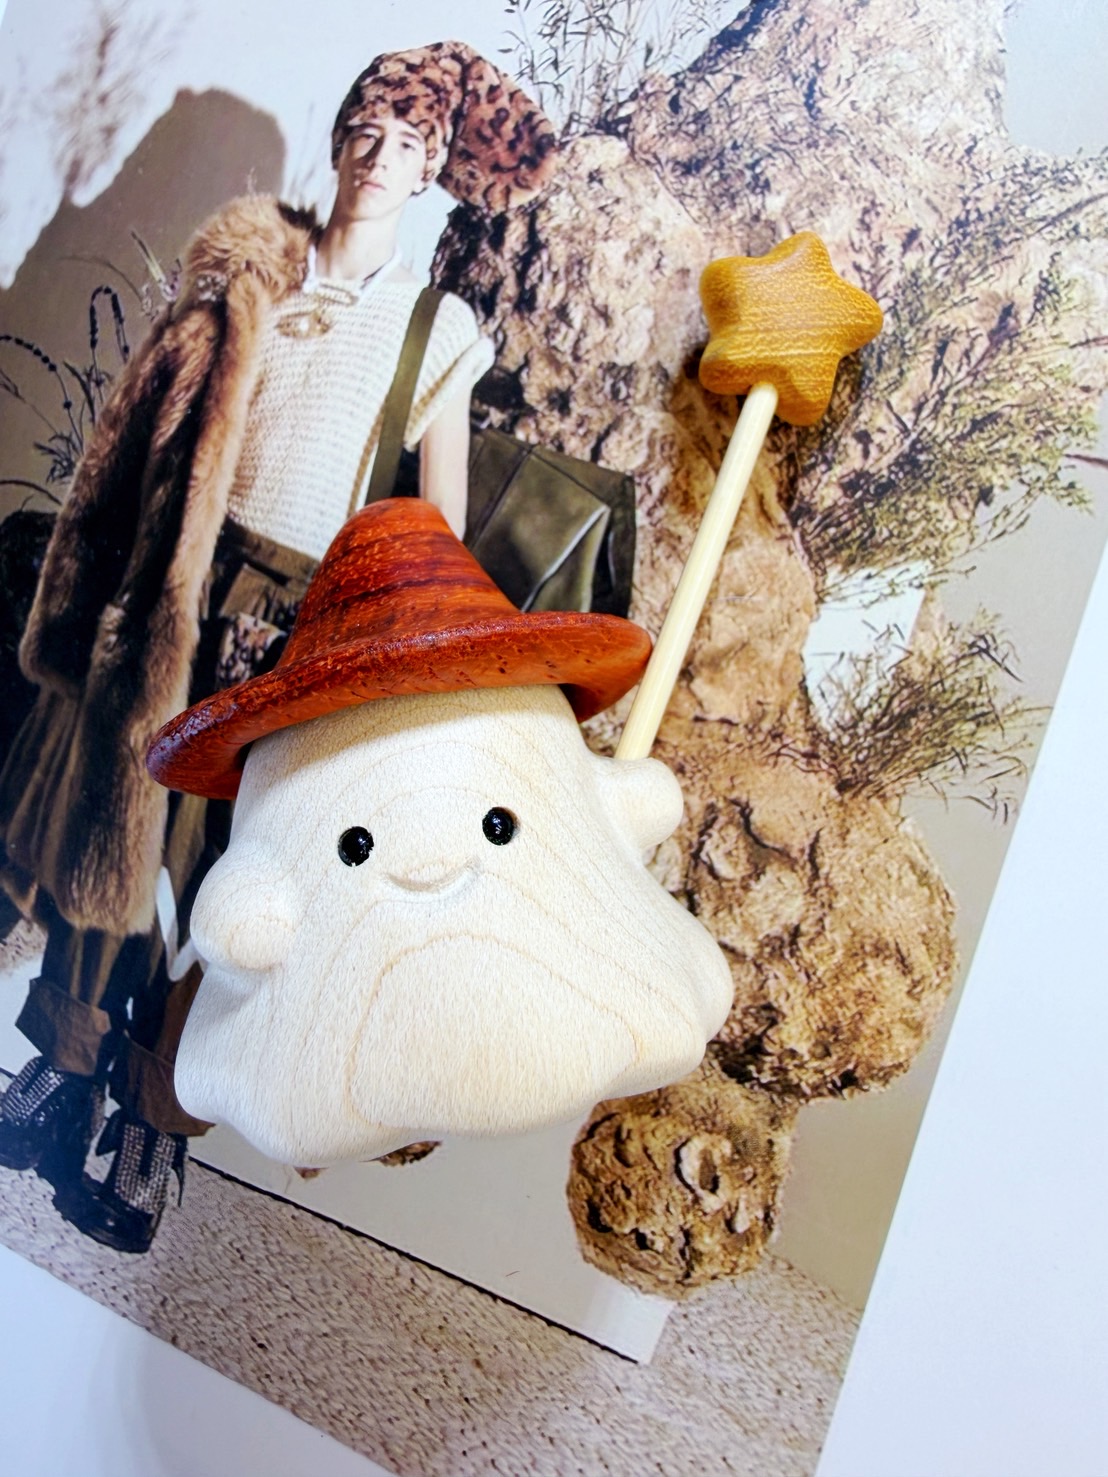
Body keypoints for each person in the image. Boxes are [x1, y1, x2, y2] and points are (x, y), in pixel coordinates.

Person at [0, 42, 557, 1252]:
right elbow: (162, 431)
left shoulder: (434, 328)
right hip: (182, 588)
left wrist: (400, 664)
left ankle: (152, 1126)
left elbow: (435, 528)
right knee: (118, 827)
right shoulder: (257, 284)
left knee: (222, 887)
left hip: (293, 621)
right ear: (341, 141)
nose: (379, 159)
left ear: (433, 171)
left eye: (408, 145)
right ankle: (61, 1065)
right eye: (366, 133)